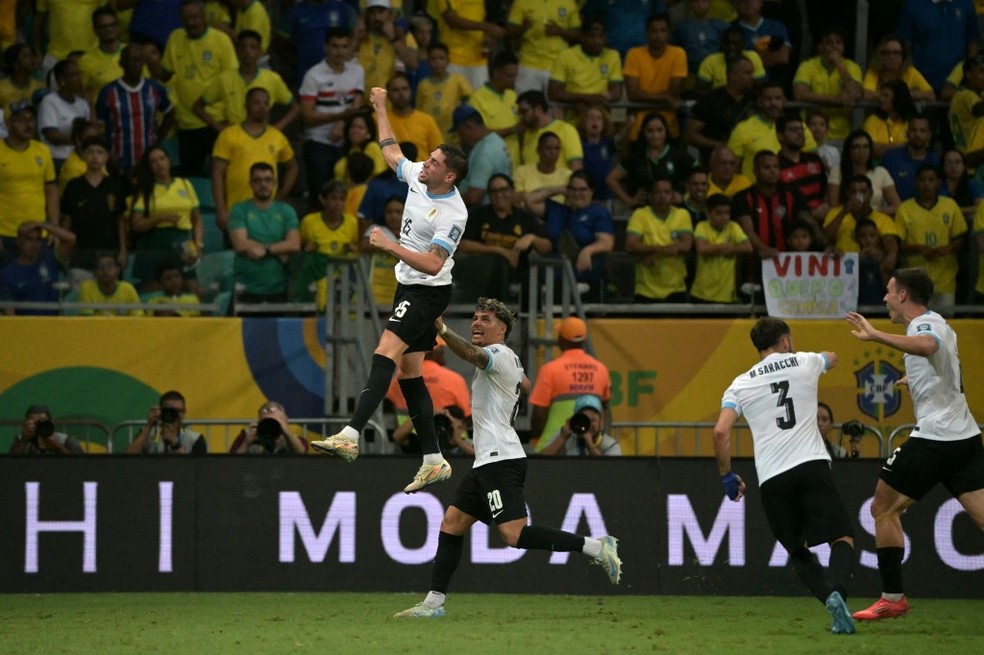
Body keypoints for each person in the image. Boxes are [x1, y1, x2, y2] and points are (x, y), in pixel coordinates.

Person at [393, 298, 622, 619]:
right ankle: (434, 603)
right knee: (452, 522)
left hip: (500, 460)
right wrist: (514, 381)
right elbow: (524, 383)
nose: (476, 322)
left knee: (513, 535)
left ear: (502, 330)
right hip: (488, 461)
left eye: (485, 319)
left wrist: (441, 328)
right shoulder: (508, 360)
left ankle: (598, 547)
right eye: (474, 317)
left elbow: (473, 355)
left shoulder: (497, 355)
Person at [311, 85, 469, 494]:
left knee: (385, 350)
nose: (424, 164)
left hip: (427, 291)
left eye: (433, 162)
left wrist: (389, 245)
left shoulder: (453, 213)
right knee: (408, 372)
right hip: (409, 285)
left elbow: (434, 262)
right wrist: (380, 107)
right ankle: (434, 459)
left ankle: (350, 434)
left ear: (448, 176)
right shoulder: (419, 178)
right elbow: (390, 152)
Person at [845, 268, 984, 621]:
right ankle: (892, 597)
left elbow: (927, 345)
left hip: (937, 439)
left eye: (889, 292)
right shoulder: (938, 323)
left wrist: (876, 335)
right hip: (964, 438)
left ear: (904, 295)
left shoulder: (924, 326)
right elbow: (941, 362)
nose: (885, 298)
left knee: (882, 508)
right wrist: (916, 379)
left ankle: (892, 598)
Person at [713, 316, 857, 635]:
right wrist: (821, 359)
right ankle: (840, 595)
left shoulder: (740, 384)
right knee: (842, 537)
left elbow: (720, 432)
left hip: (772, 477)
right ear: (786, 341)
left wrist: (727, 476)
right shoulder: (804, 362)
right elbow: (832, 357)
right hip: (812, 465)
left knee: (796, 549)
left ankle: (829, 598)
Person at [149, 0, 237, 177]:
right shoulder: (175, 38)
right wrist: (150, 62)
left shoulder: (221, 40)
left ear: (204, 17)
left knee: (223, 175)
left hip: (217, 122)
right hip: (187, 124)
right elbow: (166, 74)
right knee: (192, 177)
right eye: (186, 18)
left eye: (195, 17)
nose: (191, 22)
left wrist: (230, 120)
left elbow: (232, 82)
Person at [211, 87, 298, 233]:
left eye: (265, 103)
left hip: (268, 213)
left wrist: (281, 195)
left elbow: (293, 166)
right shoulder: (229, 134)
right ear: (246, 106)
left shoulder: (277, 137)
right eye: (256, 102)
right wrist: (221, 209)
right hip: (236, 212)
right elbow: (217, 173)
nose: (262, 107)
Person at [456, 173, 551, 303]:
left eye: (504, 190)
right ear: (489, 195)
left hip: (515, 271)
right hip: (481, 270)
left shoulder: (524, 218)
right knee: (494, 263)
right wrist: (500, 250)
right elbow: (463, 245)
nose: (499, 194)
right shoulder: (478, 214)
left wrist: (532, 238)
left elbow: (547, 248)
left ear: (512, 192)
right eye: (494, 191)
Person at [299, 27, 365, 202]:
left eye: (344, 46)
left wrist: (343, 124)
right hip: (319, 142)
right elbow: (307, 116)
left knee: (347, 195)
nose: (339, 52)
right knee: (321, 195)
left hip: (347, 143)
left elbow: (357, 103)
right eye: (335, 46)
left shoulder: (357, 71)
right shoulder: (313, 76)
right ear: (326, 47)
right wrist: (341, 116)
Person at [192, 29, 299, 134]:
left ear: (259, 52)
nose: (247, 51)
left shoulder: (272, 79)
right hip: (234, 137)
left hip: (261, 138)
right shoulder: (224, 78)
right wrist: (219, 127)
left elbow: (295, 107)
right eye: (243, 47)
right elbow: (198, 107)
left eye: (253, 47)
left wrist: (276, 128)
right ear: (237, 51)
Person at [530, 316, 612, 449]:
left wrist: (535, 438)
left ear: (561, 340)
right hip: (588, 446)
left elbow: (539, 414)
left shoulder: (550, 370)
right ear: (584, 340)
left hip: (554, 447)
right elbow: (604, 406)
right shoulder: (601, 369)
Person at [894, 164, 968, 311]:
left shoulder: (950, 206)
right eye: (922, 180)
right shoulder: (905, 209)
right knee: (916, 327)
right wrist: (918, 248)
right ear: (916, 182)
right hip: (914, 283)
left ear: (938, 183)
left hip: (945, 280)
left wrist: (948, 248)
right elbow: (898, 244)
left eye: (931, 180)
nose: (926, 184)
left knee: (943, 327)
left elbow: (961, 238)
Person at [130, 145, 203, 291]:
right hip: (155, 242)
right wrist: (158, 218)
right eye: (153, 161)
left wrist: (198, 244)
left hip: (182, 241)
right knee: (156, 292)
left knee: (194, 289)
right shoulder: (146, 189)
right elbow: (136, 224)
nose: (159, 164)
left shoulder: (185, 184)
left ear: (169, 161)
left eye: (162, 159)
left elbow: (197, 219)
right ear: (149, 167)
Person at [228, 162, 301, 305]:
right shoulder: (239, 210)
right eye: (257, 180)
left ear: (274, 183)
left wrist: (266, 250)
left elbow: (294, 244)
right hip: (245, 288)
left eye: (268, 180)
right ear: (250, 184)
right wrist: (279, 249)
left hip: (278, 289)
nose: (263, 184)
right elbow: (240, 244)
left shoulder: (286, 211)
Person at [94, 44, 175, 174]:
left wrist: (158, 140)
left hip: (148, 162)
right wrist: (107, 154)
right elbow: (99, 127)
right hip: (118, 162)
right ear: (121, 63)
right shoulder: (108, 92)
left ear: (143, 62)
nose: (135, 64)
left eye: (138, 60)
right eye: (130, 60)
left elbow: (170, 113)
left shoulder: (154, 89)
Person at [386, 337, 473, 454]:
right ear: (433, 353)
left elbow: (389, 405)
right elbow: (468, 416)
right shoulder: (454, 379)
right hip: (451, 444)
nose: (443, 354)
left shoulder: (399, 380)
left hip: (411, 441)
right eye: (441, 350)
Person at [60, 135, 131, 278]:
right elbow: (67, 220)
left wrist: (123, 250)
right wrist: (64, 248)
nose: (95, 157)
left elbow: (120, 220)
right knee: (80, 296)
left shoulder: (115, 185)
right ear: (84, 155)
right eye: (90, 152)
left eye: (100, 152)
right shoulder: (74, 186)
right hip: (80, 253)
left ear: (106, 157)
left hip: (110, 253)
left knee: (110, 297)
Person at [543, 171, 615, 301]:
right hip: (557, 274)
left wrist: (588, 250)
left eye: (583, 189)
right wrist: (559, 189)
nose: (577, 194)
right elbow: (529, 200)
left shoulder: (598, 212)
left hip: (585, 275)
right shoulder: (559, 210)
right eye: (573, 189)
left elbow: (607, 243)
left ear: (591, 191)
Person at [607, 112, 697, 209]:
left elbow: (700, 175)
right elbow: (611, 179)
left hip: (673, 214)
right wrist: (629, 200)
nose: (655, 135)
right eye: (650, 131)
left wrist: (685, 196)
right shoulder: (636, 156)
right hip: (642, 214)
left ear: (666, 130)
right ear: (643, 133)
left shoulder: (678, 155)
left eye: (659, 130)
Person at [727, 84, 816, 182]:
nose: (773, 103)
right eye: (768, 99)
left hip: (793, 191)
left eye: (778, 98)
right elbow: (732, 168)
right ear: (759, 102)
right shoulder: (742, 129)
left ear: (784, 101)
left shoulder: (799, 127)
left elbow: (812, 162)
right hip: (754, 193)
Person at [625, 177, 694, 302]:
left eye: (667, 192)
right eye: (658, 192)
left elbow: (686, 245)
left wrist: (651, 251)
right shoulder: (639, 215)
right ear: (650, 196)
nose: (663, 196)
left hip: (676, 290)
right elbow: (630, 245)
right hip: (645, 291)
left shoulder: (683, 214)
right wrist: (660, 249)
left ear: (673, 195)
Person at [792, 26, 862, 144]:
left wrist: (839, 65)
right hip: (810, 135)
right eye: (829, 42)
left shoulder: (851, 67)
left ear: (843, 47)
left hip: (842, 135)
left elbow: (855, 93)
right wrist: (836, 99)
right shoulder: (808, 66)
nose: (834, 46)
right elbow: (799, 93)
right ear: (821, 47)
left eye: (838, 43)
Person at [822, 175, 900, 280]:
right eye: (853, 192)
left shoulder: (883, 219)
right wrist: (844, 211)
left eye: (863, 192)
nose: (858, 196)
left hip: (870, 275)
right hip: (842, 275)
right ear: (847, 193)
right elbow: (825, 239)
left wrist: (889, 260)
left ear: (871, 193)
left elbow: (890, 245)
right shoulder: (835, 214)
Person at [623, 14, 687, 141]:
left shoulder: (678, 54)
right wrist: (665, 97)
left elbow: (674, 92)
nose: (658, 36)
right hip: (639, 126)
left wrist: (647, 96)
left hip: (668, 125)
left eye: (663, 31)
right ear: (647, 33)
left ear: (668, 33)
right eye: (654, 31)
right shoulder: (633, 54)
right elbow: (632, 94)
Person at [685, 56, 756, 162]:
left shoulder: (754, 99)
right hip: (716, 162)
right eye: (747, 73)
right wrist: (720, 145)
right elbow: (690, 135)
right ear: (733, 76)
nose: (752, 77)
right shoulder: (711, 100)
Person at [548, 18, 624, 116]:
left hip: (602, 119)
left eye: (601, 36)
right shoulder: (566, 55)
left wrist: (595, 102)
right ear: (583, 37)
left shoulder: (613, 56)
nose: (597, 41)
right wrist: (587, 98)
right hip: (573, 117)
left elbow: (616, 93)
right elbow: (553, 93)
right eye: (592, 36)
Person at [506, 0, 582, 96]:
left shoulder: (569, 2)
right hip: (528, 65)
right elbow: (509, 32)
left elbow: (578, 35)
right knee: (525, 106)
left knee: (554, 108)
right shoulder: (521, 2)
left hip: (557, 66)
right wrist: (523, 28)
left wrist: (560, 31)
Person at [0, 221, 75, 316]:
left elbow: (71, 239)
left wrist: (41, 225)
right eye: (29, 239)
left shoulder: (50, 259)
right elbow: (10, 316)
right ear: (18, 241)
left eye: (38, 240)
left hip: (54, 326)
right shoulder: (7, 274)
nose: (34, 244)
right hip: (26, 327)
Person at [690, 193, 752, 304]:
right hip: (702, 294)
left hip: (728, 296)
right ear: (708, 214)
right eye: (719, 213)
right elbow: (702, 249)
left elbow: (748, 247)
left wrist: (716, 249)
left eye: (727, 213)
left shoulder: (733, 227)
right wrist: (726, 246)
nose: (724, 217)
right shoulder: (702, 226)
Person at [827, 130, 901, 216]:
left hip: (875, 221)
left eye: (866, 147)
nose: (861, 151)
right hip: (845, 221)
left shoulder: (881, 172)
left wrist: (871, 213)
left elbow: (896, 206)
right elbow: (833, 207)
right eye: (856, 147)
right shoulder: (837, 171)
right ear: (848, 150)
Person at [452, 105, 511, 207]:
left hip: (483, 213)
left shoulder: (484, 151)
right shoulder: (497, 140)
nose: (462, 139)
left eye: (461, 134)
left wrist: (448, 204)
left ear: (468, 127)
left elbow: (474, 197)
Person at [37, 59, 90, 172]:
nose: (79, 78)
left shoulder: (82, 103)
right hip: (58, 159)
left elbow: (92, 131)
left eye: (79, 74)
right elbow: (52, 135)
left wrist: (91, 104)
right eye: (74, 75)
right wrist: (81, 140)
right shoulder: (50, 101)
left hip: (81, 158)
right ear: (62, 80)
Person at [381, 72, 443, 167]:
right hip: (390, 176)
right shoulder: (380, 120)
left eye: (404, 89)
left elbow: (439, 155)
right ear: (388, 95)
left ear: (411, 91)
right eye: (396, 90)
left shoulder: (427, 120)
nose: (401, 94)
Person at [415, 42, 472, 136]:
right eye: (433, 59)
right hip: (429, 132)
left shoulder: (458, 80)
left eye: (441, 58)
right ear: (428, 61)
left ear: (448, 61)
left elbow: (469, 99)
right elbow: (419, 109)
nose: (437, 62)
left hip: (452, 133)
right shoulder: (423, 84)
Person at [881, 113, 940, 202]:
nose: (917, 134)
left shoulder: (935, 160)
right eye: (913, 130)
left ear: (929, 135)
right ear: (907, 133)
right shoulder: (891, 158)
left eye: (922, 131)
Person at [125, 391, 207, 455]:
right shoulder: (147, 434)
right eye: (169, 410)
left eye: (178, 411)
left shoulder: (194, 439)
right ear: (160, 411)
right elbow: (128, 459)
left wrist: (175, 445)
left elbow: (197, 469)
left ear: (184, 413)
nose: (174, 415)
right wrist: (148, 425)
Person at [539, 394, 622, 456]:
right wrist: (563, 438)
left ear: (601, 423)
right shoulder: (565, 436)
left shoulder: (610, 445)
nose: (589, 425)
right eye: (584, 420)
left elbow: (607, 470)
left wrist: (590, 446)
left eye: (592, 420)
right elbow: (542, 461)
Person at [862, 34, 934, 102]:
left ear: (903, 56)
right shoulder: (874, 70)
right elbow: (867, 94)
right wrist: (893, 96)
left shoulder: (910, 71)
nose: (891, 57)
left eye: (896, 53)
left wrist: (904, 95)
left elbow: (930, 94)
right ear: (881, 55)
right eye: (887, 53)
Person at [862, 80, 917, 160]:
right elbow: (871, 149)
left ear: (898, 98)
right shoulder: (872, 120)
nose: (881, 99)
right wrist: (904, 146)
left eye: (886, 96)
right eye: (881, 95)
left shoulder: (912, 120)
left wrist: (884, 147)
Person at [230, 401, 309, 454]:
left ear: (285, 421)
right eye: (266, 422)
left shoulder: (295, 440)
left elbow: (301, 453)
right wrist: (246, 443)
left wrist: (287, 433)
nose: (270, 426)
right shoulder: (246, 437)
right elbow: (231, 462)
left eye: (275, 422)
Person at [8, 404, 84, 455]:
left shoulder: (66, 440)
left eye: (42, 422)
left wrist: (57, 447)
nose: (38, 426)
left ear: (50, 423)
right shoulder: (21, 440)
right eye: (34, 423)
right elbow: (9, 465)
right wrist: (24, 441)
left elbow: (81, 464)